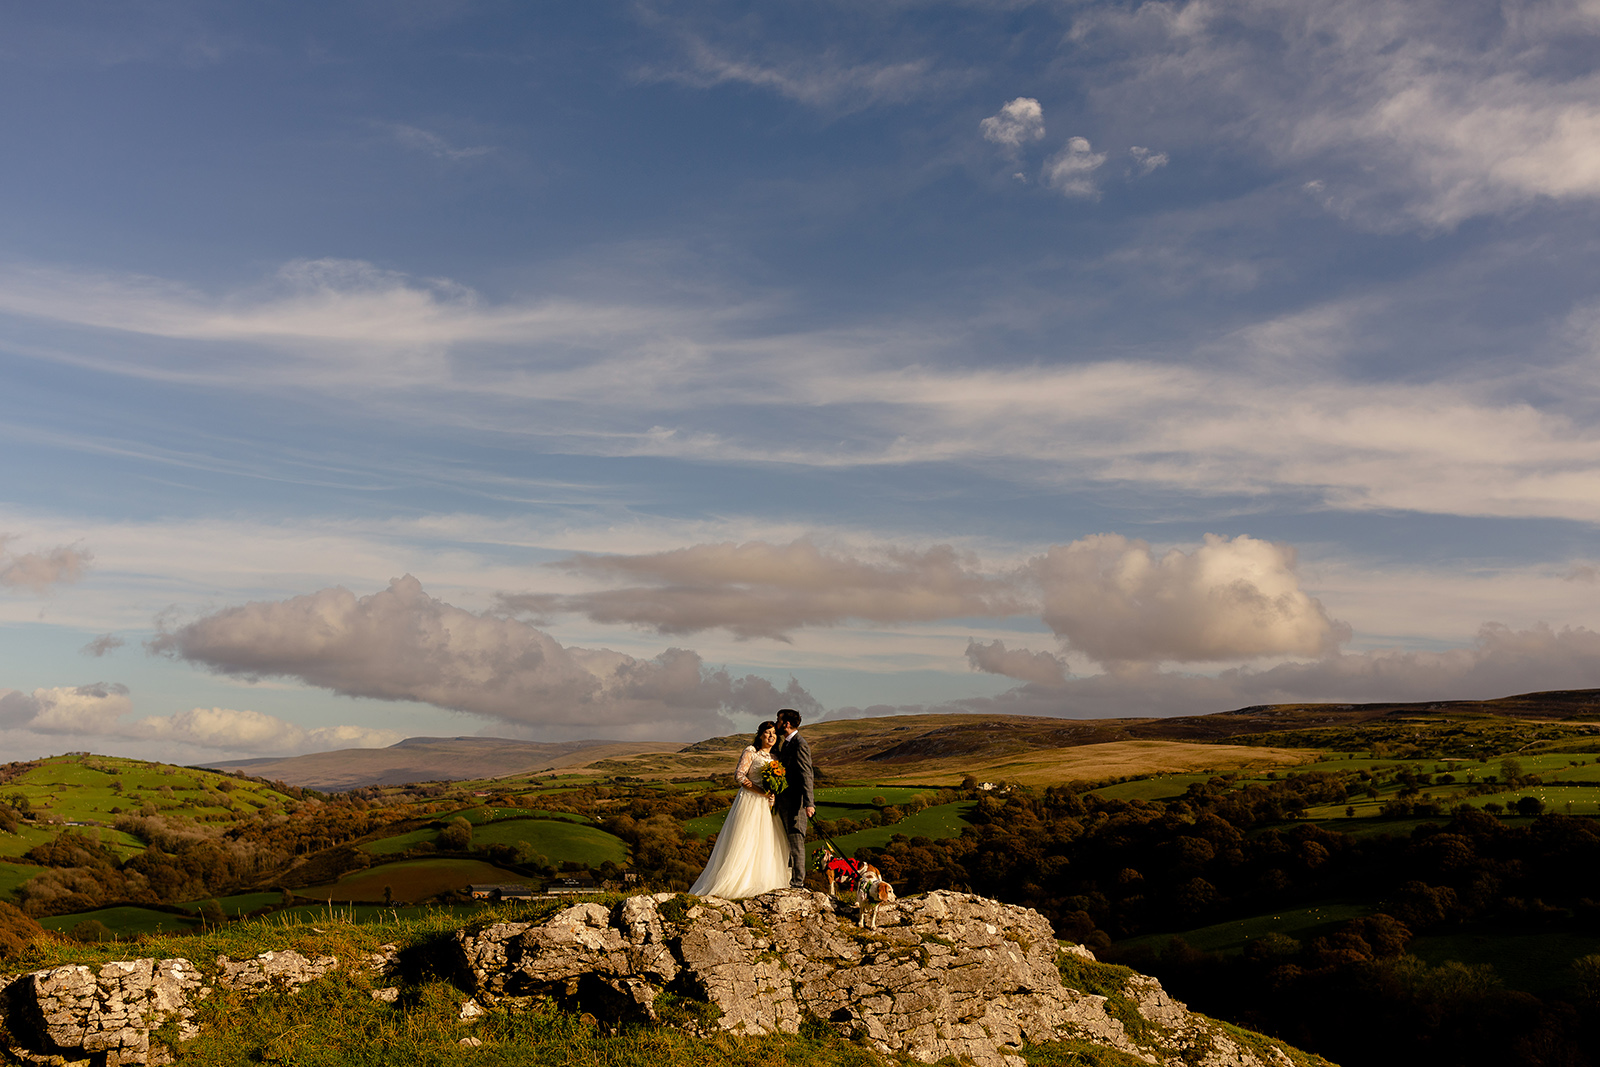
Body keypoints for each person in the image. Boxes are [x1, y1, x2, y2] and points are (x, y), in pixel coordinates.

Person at [688, 720, 791, 898]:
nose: (771, 736)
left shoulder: (776, 757)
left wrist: (773, 793)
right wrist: (760, 791)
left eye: (774, 733)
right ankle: (738, 882)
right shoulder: (751, 751)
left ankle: (764, 881)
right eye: (767, 732)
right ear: (760, 735)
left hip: (768, 806)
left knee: (767, 841)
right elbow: (739, 776)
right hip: (750, 802)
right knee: (746, 840)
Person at [772, 707, 815, 888]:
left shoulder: (800, 743)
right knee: (787, 843)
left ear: (786, 724)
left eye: (778, 720)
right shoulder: (786, 743)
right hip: (784, 802)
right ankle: (789, 880)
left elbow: (807, 773)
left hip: (796, 803)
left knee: (796, 842)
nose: (777, 723)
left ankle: (797, 883)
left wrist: (809, 803)